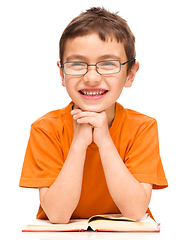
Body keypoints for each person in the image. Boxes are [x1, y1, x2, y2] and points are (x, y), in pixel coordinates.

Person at [19, 7, 168, 224]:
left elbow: (135, 211)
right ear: (62, 74)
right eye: (77, 64)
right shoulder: (45, 129)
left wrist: (105, 141)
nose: (91, 77)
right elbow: (58, 216)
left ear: (131, 74)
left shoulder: (142, 128)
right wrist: (79, 143)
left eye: (108, 64)